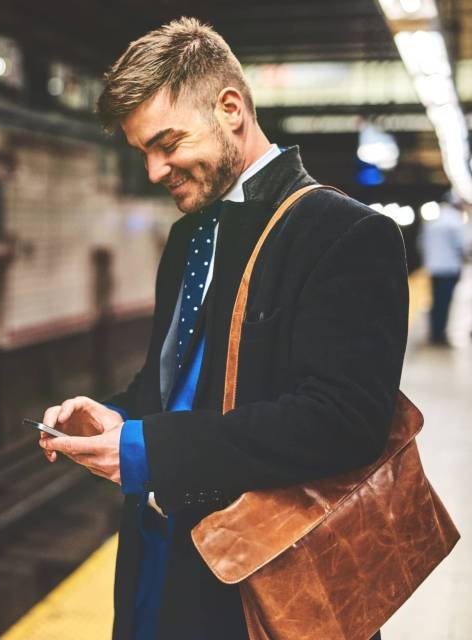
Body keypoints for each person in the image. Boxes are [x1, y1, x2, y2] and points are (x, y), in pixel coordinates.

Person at [37, 18, 408, 640]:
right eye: (143, 153)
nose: (155, 171)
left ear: (230, 108)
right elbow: (178, 385)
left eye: (167, 143)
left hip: (266, 583)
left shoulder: (346, 235)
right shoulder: (189, 236)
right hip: (162, 564)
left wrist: (149, 450)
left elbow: (343, 422)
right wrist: (115, 417)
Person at [420, 195, 466, 345]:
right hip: (449, 268)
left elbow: (421, 243)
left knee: (436, 301)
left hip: (433, 267)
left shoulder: (433, 221)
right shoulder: (456, 221)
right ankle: (439, 334)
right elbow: (464, 245)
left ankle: (434, 331)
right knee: (444, 302)